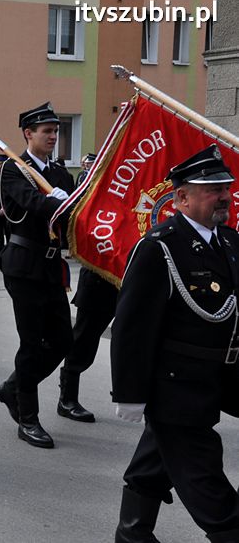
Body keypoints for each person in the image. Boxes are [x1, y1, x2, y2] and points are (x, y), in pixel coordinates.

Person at [111, 145, 239, 543]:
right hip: (176, 388)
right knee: (209, 487)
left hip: (216, 378)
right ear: (181, 197)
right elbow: (132, 328)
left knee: (152, 465)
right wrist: (131, 395)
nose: (223, 196)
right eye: (211, 189)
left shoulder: (230, 242)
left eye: (226, 188)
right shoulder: (160, 248)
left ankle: (131, 535)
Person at [0, 102, 73, 449]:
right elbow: (31, 205)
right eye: (47, 131)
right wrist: (57, 201)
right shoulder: (13, 170)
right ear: (28, 134)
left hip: (52, 267)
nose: (54, 137)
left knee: (63, 342)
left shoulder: (61, 174)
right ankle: (28, 417)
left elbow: (71, 219)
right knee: (32, 341)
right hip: (23, 265)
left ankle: (12, 387)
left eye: (56, 131)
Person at [56, 266, 117, 422]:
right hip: (101, 275)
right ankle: (67, 398)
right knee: (84, 340)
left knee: (132, 340)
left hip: (128, 277)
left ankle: (133, 396)